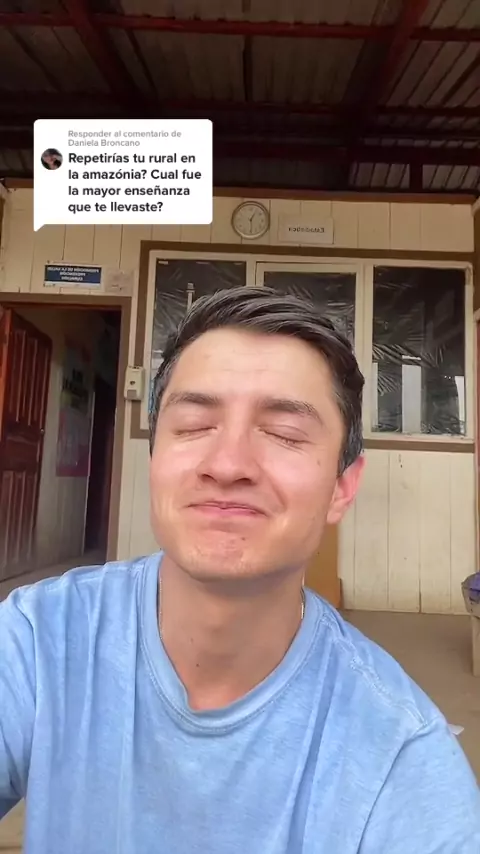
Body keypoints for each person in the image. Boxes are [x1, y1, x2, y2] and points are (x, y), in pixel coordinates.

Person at [0, 287, 479, 853]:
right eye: (194, 425)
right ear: (155, 457)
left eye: (283, 434)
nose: (227, 465)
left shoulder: (403, 759)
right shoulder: (39, 640)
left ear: (342, 487)